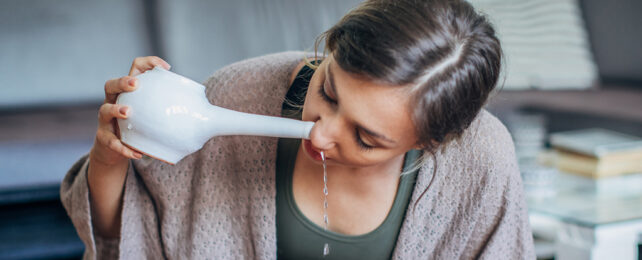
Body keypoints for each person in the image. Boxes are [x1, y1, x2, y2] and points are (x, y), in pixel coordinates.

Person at [61, 0, 535, 259]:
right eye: (328, 92)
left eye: (366, 138)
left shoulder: (479, 159)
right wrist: (110, 155)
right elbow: (121, 242)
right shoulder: (240, 91)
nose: (320, 135)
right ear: (326, 51)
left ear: (431, 144)